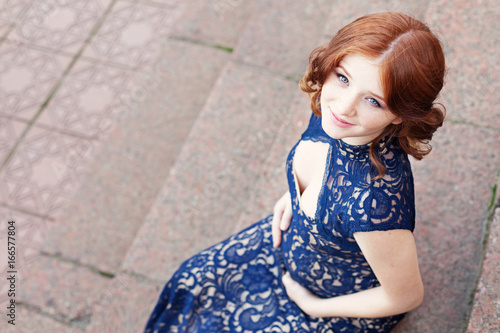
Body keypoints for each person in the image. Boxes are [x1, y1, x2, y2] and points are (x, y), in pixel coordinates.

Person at [144, 12, 446, 333]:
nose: (343, 106)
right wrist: (295, 196)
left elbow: (406, 296)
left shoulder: (373, 204)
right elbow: (324, 169)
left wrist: (315, 306)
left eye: (373, 101)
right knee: (191, 281)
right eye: (343, 78)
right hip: (293, 245)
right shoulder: (331, 116)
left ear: (401, 115)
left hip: (332, 300)